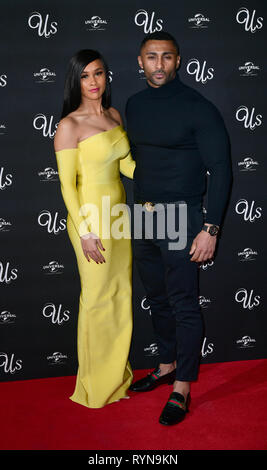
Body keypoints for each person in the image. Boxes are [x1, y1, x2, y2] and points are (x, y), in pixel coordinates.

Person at [126, 32, 232, 425]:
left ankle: (182, 387)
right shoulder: (134, 106)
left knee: (183, 301)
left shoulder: (197, 107)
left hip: (181, 214)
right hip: (144, 213)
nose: (158, 64)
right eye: (151, 57)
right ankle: (167, 364)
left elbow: (221, 170)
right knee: (156, 298)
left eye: (166, 57)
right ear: (140, 61)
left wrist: (211, 228)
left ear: (178, 61)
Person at [54, 49, 136, 408]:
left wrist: (167, 174)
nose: (93, 82)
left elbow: (129, 166)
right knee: (97, 299)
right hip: (90, 220)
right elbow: (66, 185)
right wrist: (86, 231)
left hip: (118, 215)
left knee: (120, 295)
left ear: (107, 77)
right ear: (76, 80)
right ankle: (93, 383)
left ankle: (116, 376)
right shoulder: (69, 126)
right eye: (85, 76)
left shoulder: (115, 115)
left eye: (98, 73)